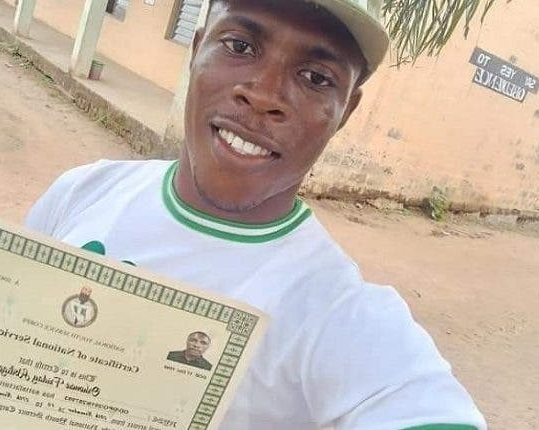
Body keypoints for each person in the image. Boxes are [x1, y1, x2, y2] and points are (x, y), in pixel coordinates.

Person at [26, 0, 487, 428]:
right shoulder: (82, 192)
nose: (264, 94)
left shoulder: (335, 310)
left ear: (345, 112)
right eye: (240, 47)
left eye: (316, 78)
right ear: (196, 49)